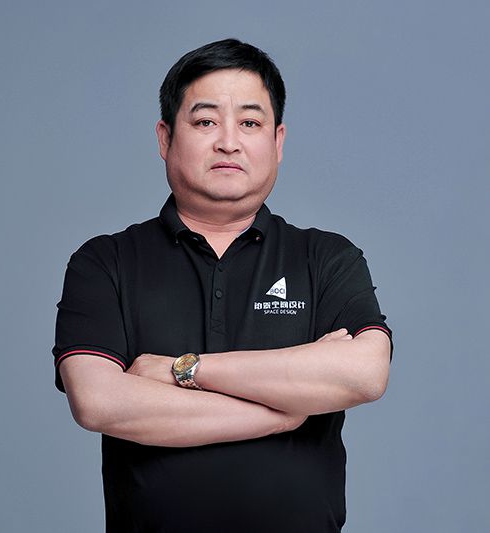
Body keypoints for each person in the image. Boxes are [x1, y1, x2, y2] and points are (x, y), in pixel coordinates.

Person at [52, 38, 393, 533]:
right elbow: (99, 401)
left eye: (250, 123)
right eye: (206, 121)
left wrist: (182, 370)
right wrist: (281, 413)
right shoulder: (105, 262)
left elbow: (364, 374)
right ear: (165, 138)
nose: (229, 142)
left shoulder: (325, 257)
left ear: (277, 142)